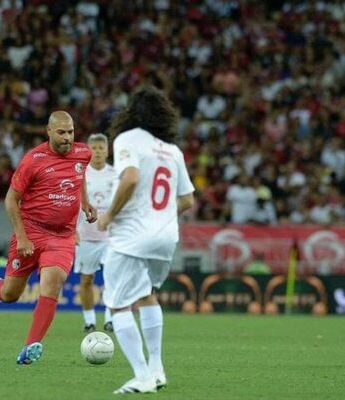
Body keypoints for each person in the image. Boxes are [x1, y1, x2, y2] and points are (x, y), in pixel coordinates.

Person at [97, 86, 195, 394]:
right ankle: (157, 369)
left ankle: (142, 376)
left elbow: (130, 178)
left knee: (117, 304)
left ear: (131, 112)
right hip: (166, 236)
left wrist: (109, 215)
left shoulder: (128, 139)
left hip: (132, 235)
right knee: (147, 295)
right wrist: (161, 214)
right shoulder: (173, 151)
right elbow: (188, 199)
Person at [0, 111, 97, 365]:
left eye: (71, 132)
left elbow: (79, 174)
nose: (68, 138)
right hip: (31, 231)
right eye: (62, 132)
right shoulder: (33, 160)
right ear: (49, 131)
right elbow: (11, 200)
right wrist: (21, 237)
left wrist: (85, 201)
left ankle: (31, 345)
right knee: (11, 293)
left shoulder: (83, 153)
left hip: (63, 236)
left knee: (53, 282)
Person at [74, 133, 116, 333]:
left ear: (107, 151)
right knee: (86, 279)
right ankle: (89, 320)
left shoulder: (116, 174)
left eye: (101, 148)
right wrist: (72, 231)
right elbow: (73, 206)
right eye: (94, 148)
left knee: (112, 277)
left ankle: (110, 319)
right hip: (86, 236)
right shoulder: (81, 174)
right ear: (88, 150)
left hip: (110, 237)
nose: (98, 151)